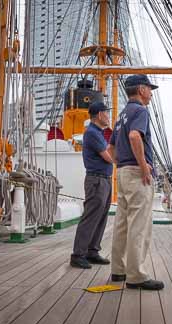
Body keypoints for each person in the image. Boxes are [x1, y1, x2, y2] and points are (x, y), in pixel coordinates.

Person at [109, 74, 164, 290]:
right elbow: (134, 136)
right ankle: (136, 276)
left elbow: (110, 148)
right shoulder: (141, 111)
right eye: (149, 89)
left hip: (122, 172)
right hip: (136, 172)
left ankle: (118, 270)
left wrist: (121, 165)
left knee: (122, 223)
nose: (150, 93)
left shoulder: (121, 115)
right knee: (139, 225)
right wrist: (142, 166)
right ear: (141, 89)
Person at [70, 102, 113, 269]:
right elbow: (108, 156)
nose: (108, 116)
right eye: (107, 113)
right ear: (100, 114)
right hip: (96, 180)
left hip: (104, 180)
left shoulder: (99, 133)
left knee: (101, 217)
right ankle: (78, 255)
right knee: (90, 217)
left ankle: (92, 251)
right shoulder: (93, 133)